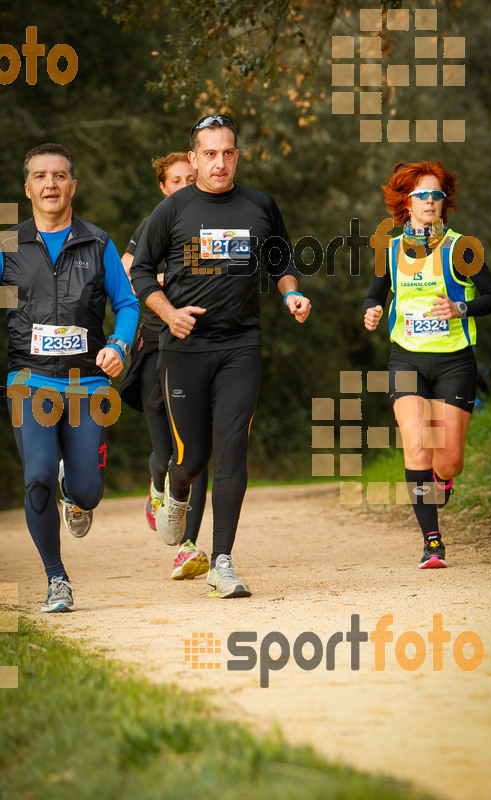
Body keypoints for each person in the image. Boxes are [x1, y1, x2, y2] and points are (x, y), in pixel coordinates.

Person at [130, 115, 311, 598]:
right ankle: (177, 487)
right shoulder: (171, 211)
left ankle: (222, 561)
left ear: (237, 155)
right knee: (192, 459)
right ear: (193, 158)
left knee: (231, 448)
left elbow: (281, 262)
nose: (219, 162)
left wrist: (291, 294)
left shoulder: (259, 206)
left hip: (240, 345)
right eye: (209, 153)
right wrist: (168, 313)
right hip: (185, 348)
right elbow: (141, 273)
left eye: (228, 152)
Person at [1, 143, 139, 612]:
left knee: (88, 491)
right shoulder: (9, 244)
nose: (50, 184)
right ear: (28, 188)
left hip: (86, 383)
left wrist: (118, 344)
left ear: (72, 186)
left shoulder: (98, 243)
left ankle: (73, 489)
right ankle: (56, 578)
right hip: (29, 378)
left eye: (59, 176)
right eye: (40, 176)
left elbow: (126, 304)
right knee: (36, 477)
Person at [364, 161, 491, 569]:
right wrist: (372, 310)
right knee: (416, 444)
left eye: (437, 194)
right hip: (405, 356)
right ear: (405, 202)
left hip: (454, 362)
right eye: (421, 194)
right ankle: (432, 542)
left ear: (445, 201)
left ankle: (444, 480)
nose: (430, 201)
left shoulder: (463, 248)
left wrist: (461, 307)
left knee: (447, 460)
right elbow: (375, 293)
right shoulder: (389, 248)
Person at [120, 152, 210, 581]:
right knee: (165, 455)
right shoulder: (156, 221)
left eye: (190, 178)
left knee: (198, 450)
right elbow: (125, 271)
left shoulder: (212, 219)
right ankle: (157, 485)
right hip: (155, 345)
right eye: (176, 180)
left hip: (203, 346)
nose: (184, 185)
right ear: (163, 186)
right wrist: (165, 282)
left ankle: (188, 545)